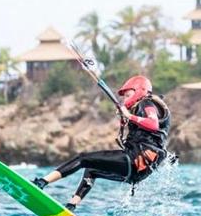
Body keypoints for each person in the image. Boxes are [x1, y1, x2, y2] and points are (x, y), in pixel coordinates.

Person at [32, 74, 170, 207]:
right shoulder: (141, 108)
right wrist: (124, 120)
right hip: (139, 170)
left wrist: (128, 115)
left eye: (128, 95)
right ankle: (71, 206)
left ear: (140, 91)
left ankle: (42, 182)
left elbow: (153, 124)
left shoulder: (147, 103)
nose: (125, 99)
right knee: (91, 170)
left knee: (83, 158)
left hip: (136, 159)